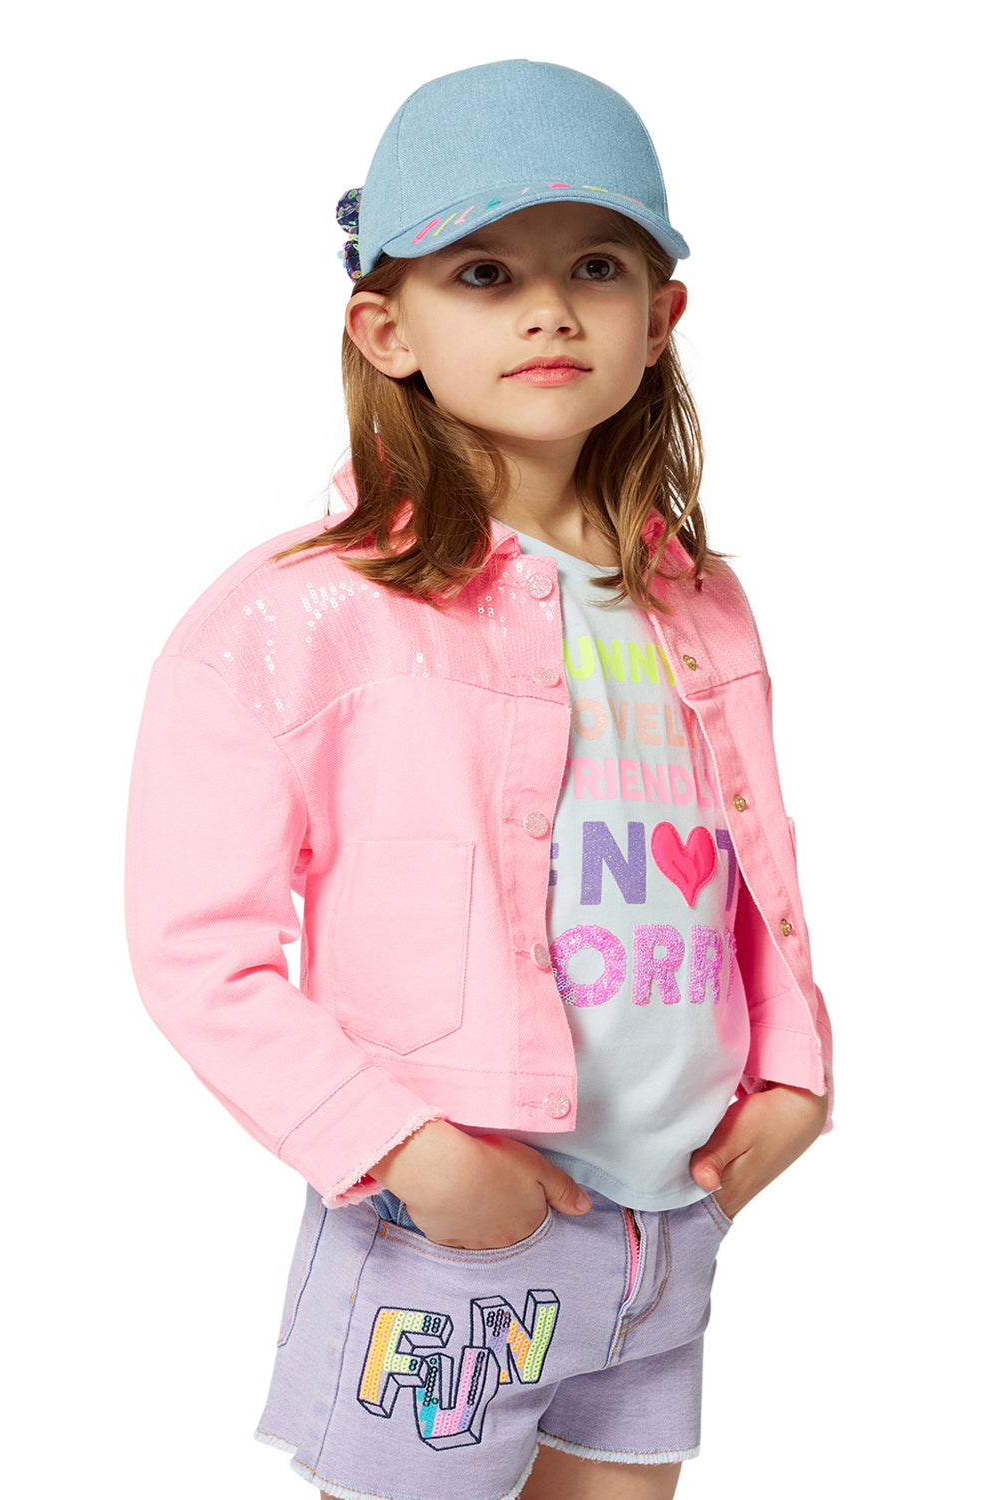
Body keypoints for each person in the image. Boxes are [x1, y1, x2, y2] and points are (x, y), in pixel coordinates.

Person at [125, 59, 833, 1500]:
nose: (549, 309)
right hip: (450, 1232)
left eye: (596, 266)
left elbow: (749, 863)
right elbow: (196, 947)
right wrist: (402, 1149)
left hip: (668, 1220)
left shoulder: (698, 602)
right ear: (386, 327)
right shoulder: (305, 614)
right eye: (484, 272)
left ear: (661, 316)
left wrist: (795, 1070)